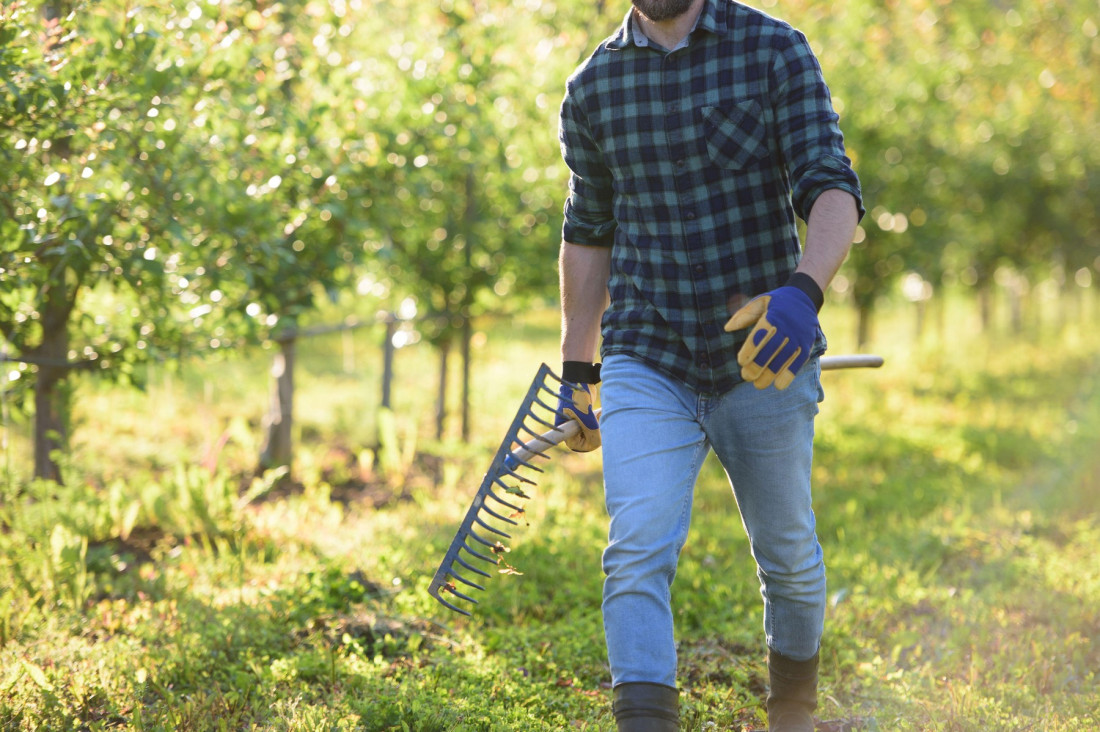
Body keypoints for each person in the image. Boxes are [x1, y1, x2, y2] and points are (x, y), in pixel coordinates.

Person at [553, 0, 864, 730]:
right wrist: (577, 369)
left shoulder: (774, 50)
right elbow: (587, 228)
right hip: (647, 350)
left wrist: (802, 292)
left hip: (763, 352)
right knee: (636, 548)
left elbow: (833, 187)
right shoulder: (592, 86)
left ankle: (792, 707)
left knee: (786, 552)